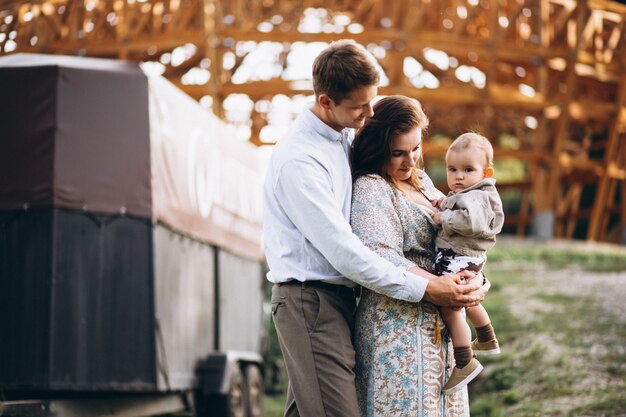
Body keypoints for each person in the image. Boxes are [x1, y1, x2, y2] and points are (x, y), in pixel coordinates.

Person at [263, 40, 487, 417]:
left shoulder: (345, 135)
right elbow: (345, 252)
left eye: (373, 101)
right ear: (325, 102)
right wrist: (429, 287)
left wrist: (474, 281)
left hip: (341, 299)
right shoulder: (300, 161)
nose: (370, 113)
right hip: (309, 300)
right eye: (359, 106)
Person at [351, 95, 478, 416]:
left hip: (442, 332)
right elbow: (379, 255)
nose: (410, 162)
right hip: (398, 331)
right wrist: (440, 285)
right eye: (398, 153)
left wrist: (475, 282)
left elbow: (460, 238)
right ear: (378, 148)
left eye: (415, 149)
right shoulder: (371, 187)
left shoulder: (422, 182)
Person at [429, 132, 505, 395]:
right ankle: (486, 337)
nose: (458, 176)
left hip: (457, 256)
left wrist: (443, 219)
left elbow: (470, 221)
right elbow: (462, 206)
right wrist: (446, 202)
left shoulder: (477, 196)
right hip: (469, 258)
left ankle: (464, 361)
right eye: (452, 169)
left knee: (452, 308)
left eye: (468, 169)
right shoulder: (479, 192)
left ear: (486, 172)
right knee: (470, 301)